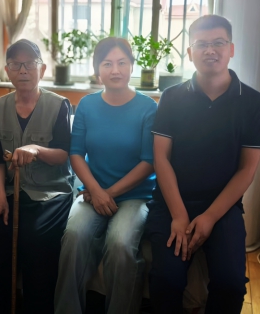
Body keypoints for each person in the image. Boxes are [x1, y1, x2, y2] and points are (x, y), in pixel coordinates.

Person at [145, 15, 260, 314]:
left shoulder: (253, 102)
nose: (210, 50)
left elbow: (247, 169)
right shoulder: (172, 97)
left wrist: (210, 216)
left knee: (230, 284)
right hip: (172, 202)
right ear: (190, 52)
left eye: (218, 43)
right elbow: (161, 158)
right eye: (201, 44)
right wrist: (179, 215)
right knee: (166, 280)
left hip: (222, 207)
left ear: (231, 49)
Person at [55, 37, 157, 314]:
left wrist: (106, 194)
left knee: (120, 243)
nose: (115, 70)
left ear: (132, 66)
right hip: (92, 191)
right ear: (97, 69)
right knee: (74, 235)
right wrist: (95, 190)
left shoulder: (148, 107)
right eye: (107, 63)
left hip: (135, 196)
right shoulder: (86, 105)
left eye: (122, 63)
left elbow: (149, 162)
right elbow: (76, 153)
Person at [0, 39, 74, 314]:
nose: (23, 70)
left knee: (36, 238)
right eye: (16, 64)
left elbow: (64, 155)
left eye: (30, 64)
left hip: (50, 192)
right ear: (7, 71)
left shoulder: (58, 105)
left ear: (41, 70)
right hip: (9, 191)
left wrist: (36, 149)